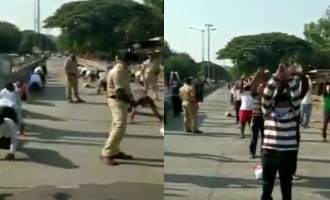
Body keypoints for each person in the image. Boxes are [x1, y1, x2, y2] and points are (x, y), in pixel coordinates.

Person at [260, 64, 301, 200]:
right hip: (275, 153)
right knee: (273, 186)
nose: (284, 106)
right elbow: (268, 93)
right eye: (283, 104)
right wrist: (279, 77)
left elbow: (296, 94)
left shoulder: (291, 112)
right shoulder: (270, 111)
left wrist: (283, 77)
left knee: (280, 186)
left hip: (281, 154)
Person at [100, 52, 139, 166]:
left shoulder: (123, 70)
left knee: (115, 126)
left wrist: (130, 99)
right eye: (134, 62)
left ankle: (114, 151)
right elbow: (119, 91)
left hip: (120, 100)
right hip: (117, 99)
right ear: (128, 61)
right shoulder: (118, 71)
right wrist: (131, 102)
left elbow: (125, 88)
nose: (135, 65)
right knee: (120, 126)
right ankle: (107, 152)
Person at [249, 68, 266, 158]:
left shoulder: (267, 97)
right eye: (260, 87)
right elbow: (251, 84)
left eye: (263, 87)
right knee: (254, 137)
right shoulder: (254, 95)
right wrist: (258, 73)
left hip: (264, 118)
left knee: (265, 137)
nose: (261, 88)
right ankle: (252, 153)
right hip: (255, 118)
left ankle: (263, 152)